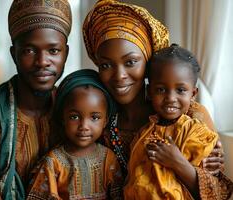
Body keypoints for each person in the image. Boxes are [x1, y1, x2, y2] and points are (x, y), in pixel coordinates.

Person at [82, 0, 232, 198]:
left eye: (130, 62)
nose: (119, 75)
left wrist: (179, 163)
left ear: (148, 63)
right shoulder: (99, 119)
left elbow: (217, 191)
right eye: (106, 65)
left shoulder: (191, 118)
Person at [0, 0, 72, 199]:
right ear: (13, 54)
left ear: (66, 54)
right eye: (29, 50)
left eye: (53, 51)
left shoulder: (76, 111)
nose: (42, 62)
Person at [124, 44, 220, 199]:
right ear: (149, 92)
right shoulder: (144, 132)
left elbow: (212, 190)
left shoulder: (195, 132)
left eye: (180, 90)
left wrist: (176, 161)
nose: (170, 98)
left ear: (193, 93)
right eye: (161, 89)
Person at [26, 69, 123, 200]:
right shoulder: (53, 162)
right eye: (74, 117)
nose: (84, 126)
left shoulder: (109, 159)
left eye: (94, 118)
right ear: (63, 118)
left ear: (105, 121)